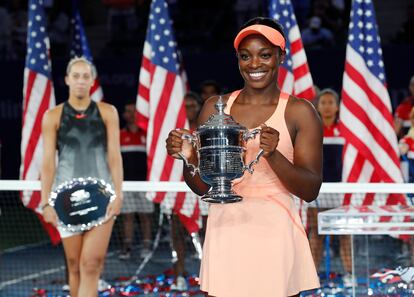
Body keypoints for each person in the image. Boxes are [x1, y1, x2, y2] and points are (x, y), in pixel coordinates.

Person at [166, 17, 321, 296]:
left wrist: (274, 155)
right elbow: (204, 187)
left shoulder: (300, 111)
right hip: (226, 230)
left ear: (281, 56)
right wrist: (189, 158)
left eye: (265, 55)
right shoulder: (215, 108)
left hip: (277, 234)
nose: (255, 64)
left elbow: (310, 190)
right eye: (245, 56)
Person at [40, 57, 123, 297]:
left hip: (103, 199)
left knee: (91, 264)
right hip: (64, 202)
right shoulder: (52, 116)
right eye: (75, 76)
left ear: (92, 80)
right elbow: (47, 164)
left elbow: (115, 158)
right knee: (75, 268)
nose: (80, 80)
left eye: (85, 76)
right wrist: (46, 202)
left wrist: (118, 195)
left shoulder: (108, 112)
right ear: (67, 80)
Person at [307, 88, 353, 287]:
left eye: (330, 102)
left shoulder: (346, 130)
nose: (326, 106)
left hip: (341, 191)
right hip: (317, 189)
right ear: (317, 106)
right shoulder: (312, 129)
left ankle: (350, 274)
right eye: (323, 102)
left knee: (345, 234)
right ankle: (311, 276)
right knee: (316, 234)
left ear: (337, 106)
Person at [119, 102, 154, 260]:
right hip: (125, 184)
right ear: (124, 115)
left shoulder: (147, 134)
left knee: (145, 216)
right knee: (127, 217)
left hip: (145, 184)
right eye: (128, 111)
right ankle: (127, 248)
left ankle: (146, 247)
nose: (131, 114)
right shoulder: (119, 135)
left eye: (134, 111)